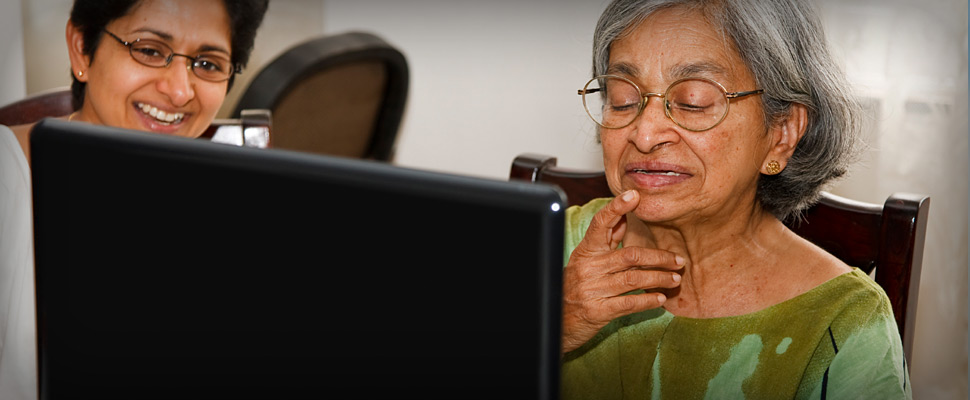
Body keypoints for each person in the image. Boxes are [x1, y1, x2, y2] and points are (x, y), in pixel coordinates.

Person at [561, 0, 910, 398]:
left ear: (781, 133)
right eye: (623, 98)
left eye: (693, 102)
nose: (644, 134)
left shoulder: (845, 320)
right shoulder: (549, 247)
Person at [0, 1, 268, 398]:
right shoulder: (8, 181)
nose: (179, 91)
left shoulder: (237, 207)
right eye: (148, 50)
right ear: (81, 49)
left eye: (208, 64)